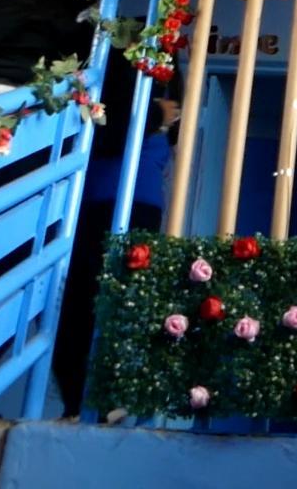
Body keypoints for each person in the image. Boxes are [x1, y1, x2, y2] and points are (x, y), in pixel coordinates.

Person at [52, 53, 181, 419]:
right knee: (85, 300)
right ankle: (82, 400)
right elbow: (106, 128)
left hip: (134, 203)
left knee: (120, 302)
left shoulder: (166, 89)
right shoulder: (118, 81)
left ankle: (103, 397)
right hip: (101, 200)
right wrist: (153, 117)